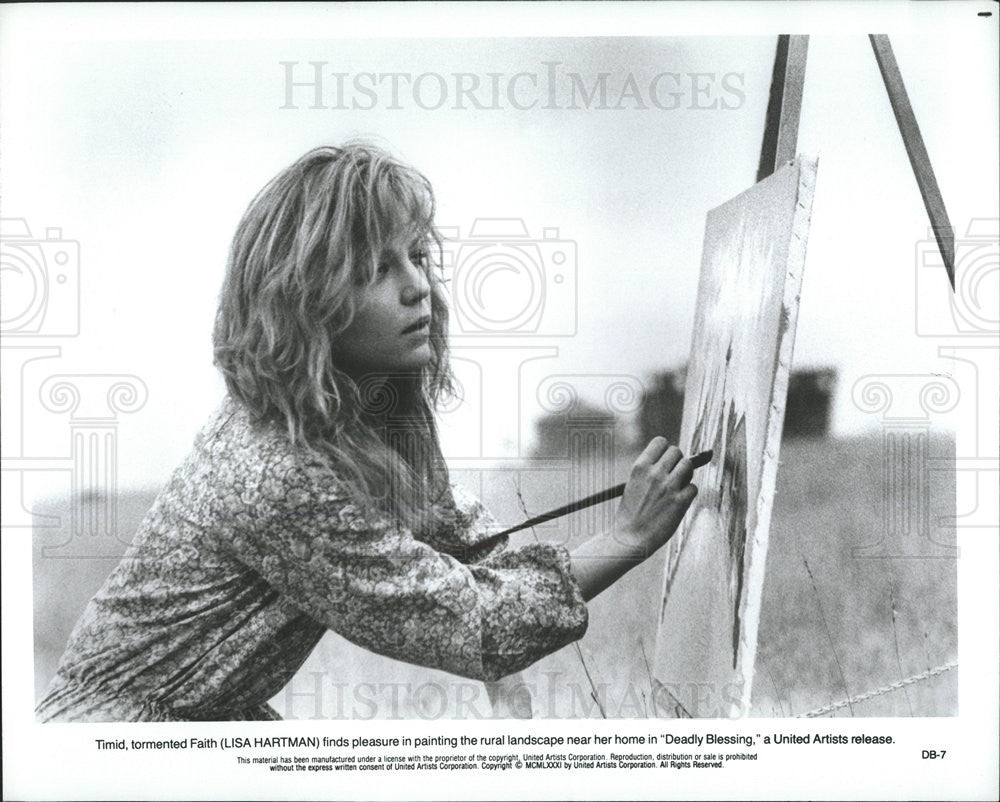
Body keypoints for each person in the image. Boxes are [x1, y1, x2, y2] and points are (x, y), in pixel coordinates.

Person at [35, 142, 699, 722]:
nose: (421, 289)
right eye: (380, 269)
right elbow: (471, 622)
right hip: (117, 745)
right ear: (307, 302)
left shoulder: (366, 414)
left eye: (417, 256)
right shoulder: (278, 468)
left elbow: (462, 546)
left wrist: (507, 683)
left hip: (202, 724)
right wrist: (630, 536)